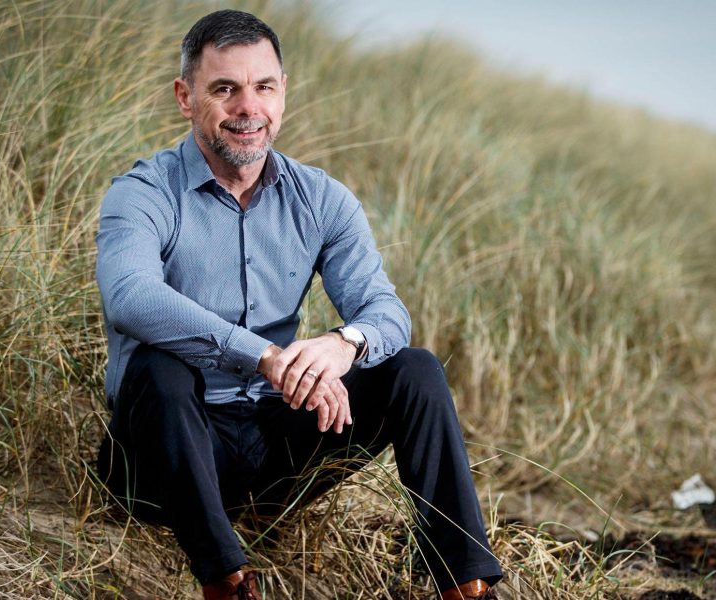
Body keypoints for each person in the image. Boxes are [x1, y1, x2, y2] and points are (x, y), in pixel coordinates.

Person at [95, 9, 502, 600]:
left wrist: (342, 345)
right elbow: (130, 297)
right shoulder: (143, 192)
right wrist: (263, 355)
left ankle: (465, 586)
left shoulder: (322, 200)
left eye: (263, 87)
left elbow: (386, 312)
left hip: (274, 454)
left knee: (415, 369)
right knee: (159, 368)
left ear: (283, 94)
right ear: (186, 97)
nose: (247, 108)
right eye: (225, 89)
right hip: (159, 460)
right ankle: (225, 580)